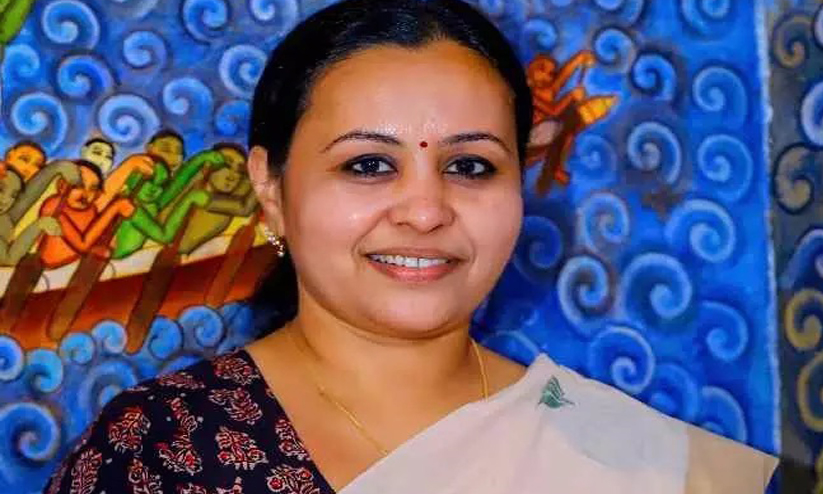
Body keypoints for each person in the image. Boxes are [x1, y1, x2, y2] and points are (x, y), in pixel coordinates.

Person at [44, 1, 778, 493]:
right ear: (270, 187)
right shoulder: (159, 452)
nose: (426, 211)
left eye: (471, 167)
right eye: (368, 164)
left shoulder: (630, 462)